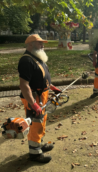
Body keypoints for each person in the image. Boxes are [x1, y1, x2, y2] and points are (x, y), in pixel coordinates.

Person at [17, 34, 63, 163]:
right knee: (35, 124)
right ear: (30, 44)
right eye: (39, 43)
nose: (43, 46)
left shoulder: (37, 57)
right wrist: (33, 104)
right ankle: (35, 153)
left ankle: (39, 144)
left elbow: (41, 78)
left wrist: (52, 88)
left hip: (43, 96)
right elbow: (23, 85)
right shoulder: (26, 60)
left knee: (41, 121)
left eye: (42, 43)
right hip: (33, 98)